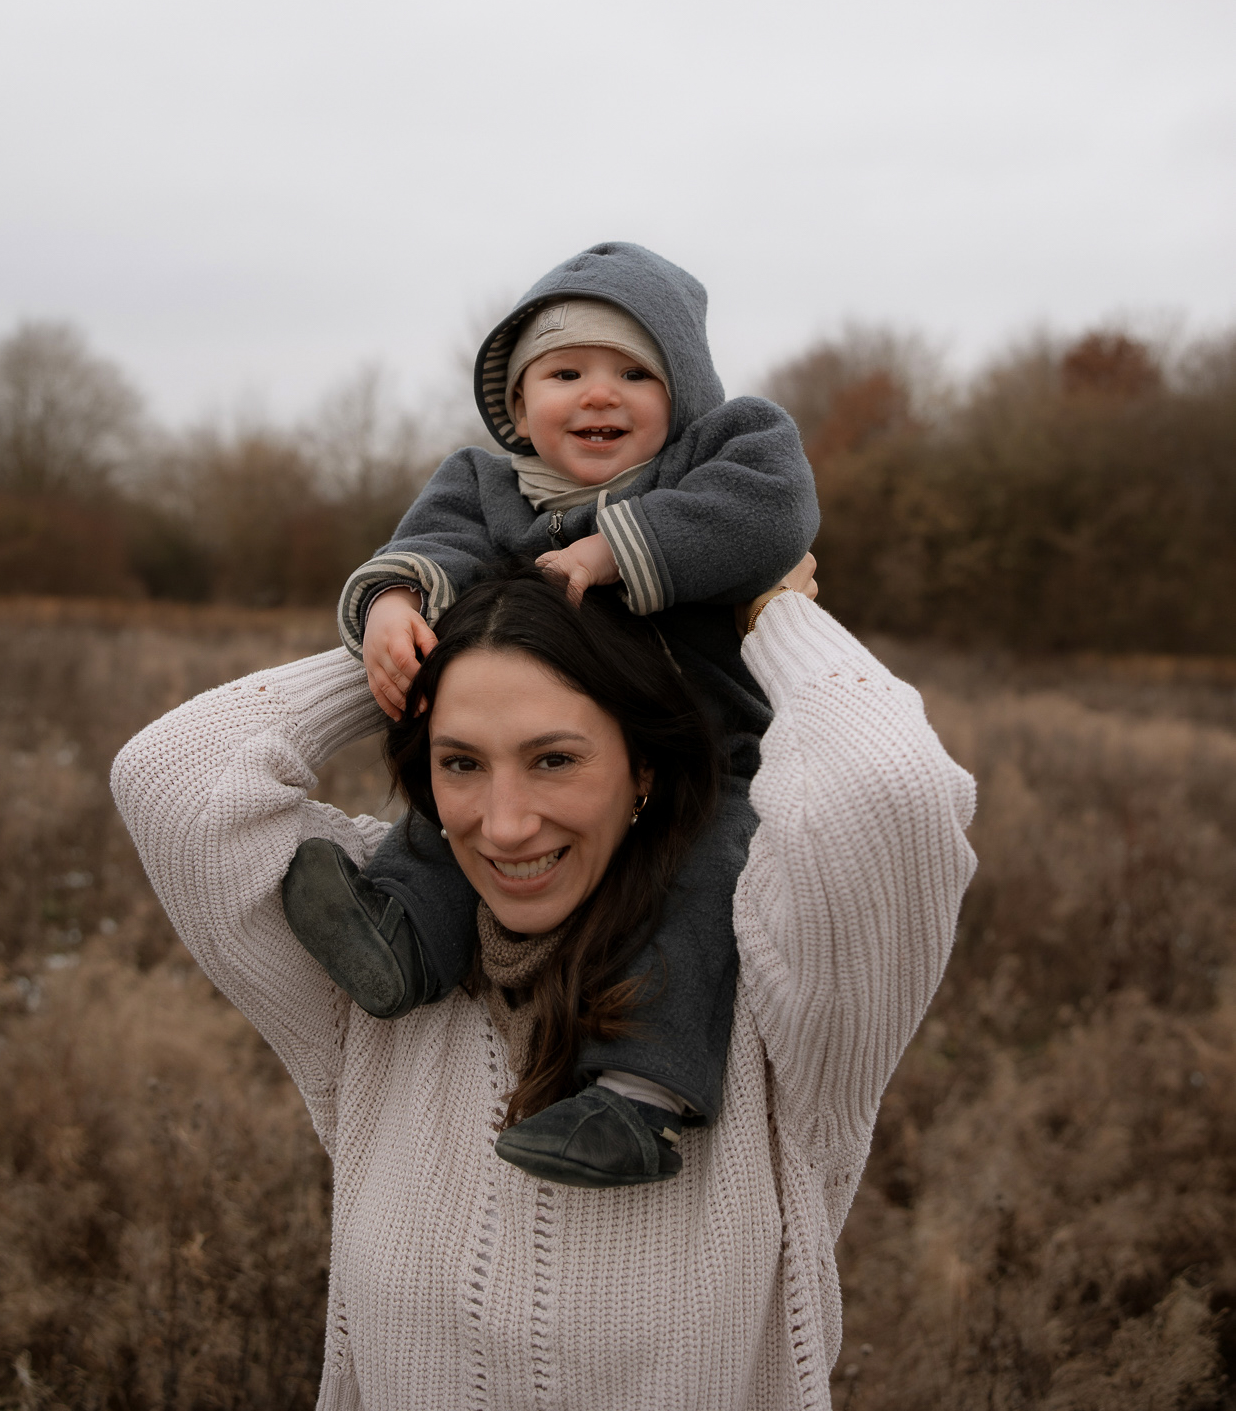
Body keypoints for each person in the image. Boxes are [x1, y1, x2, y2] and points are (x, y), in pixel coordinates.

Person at [112, 560, 975, 1411]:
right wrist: (414, 629)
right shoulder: (371, 969)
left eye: (554, 759)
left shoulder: (775, 982)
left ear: (643, 769)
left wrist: (765, 607)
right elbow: (174, 780)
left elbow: (889, 791)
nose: (506, 824)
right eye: (461, 763)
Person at [281, 240, 819, 1185]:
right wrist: (396, 610)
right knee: (478, 812)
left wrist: (613, 552)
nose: (599, 394)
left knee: (702, 888)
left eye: (634, 372)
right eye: (565, 371)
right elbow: (430, 546)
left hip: (705, 756)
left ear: (683, 392)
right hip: (549, 753)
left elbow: (773, 511)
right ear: (519, 407)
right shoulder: (485, 485)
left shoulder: (717, 455)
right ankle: (401, 939)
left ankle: (639, 1099)